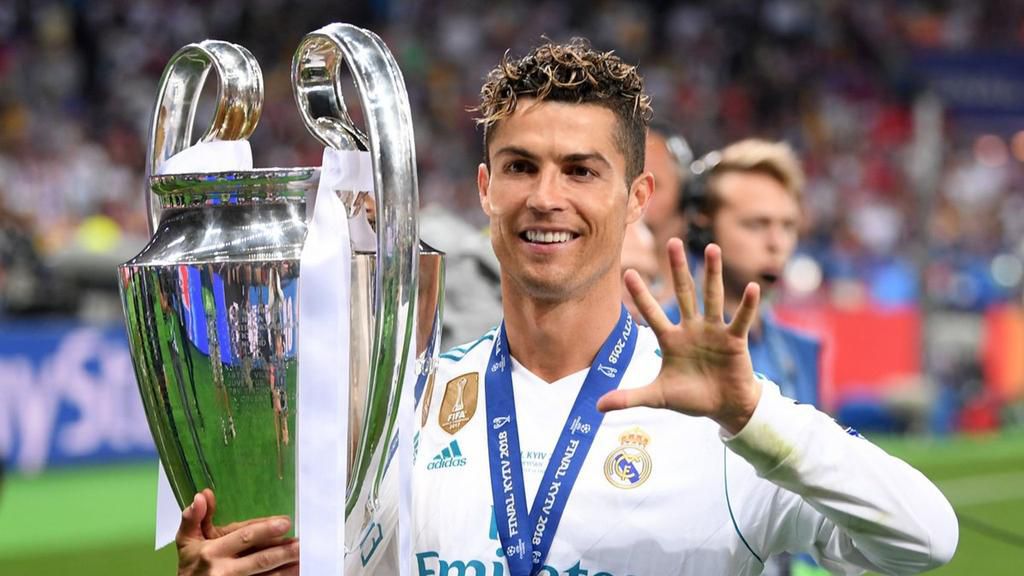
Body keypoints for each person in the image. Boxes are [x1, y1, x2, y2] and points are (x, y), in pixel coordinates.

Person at [175, 38, 958, 576]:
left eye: (582, 170)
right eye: (520, 166)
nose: (545, 198)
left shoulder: (726, 426)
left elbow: (926, 539)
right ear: (486, 191)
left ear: (638, 198)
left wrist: (753, 415)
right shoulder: (406, 406)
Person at [667, 139, 822, 406]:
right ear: (704, 226)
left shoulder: (803, 351)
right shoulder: (661, 334)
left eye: (787, 226)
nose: (777, 243)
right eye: (756, 224)